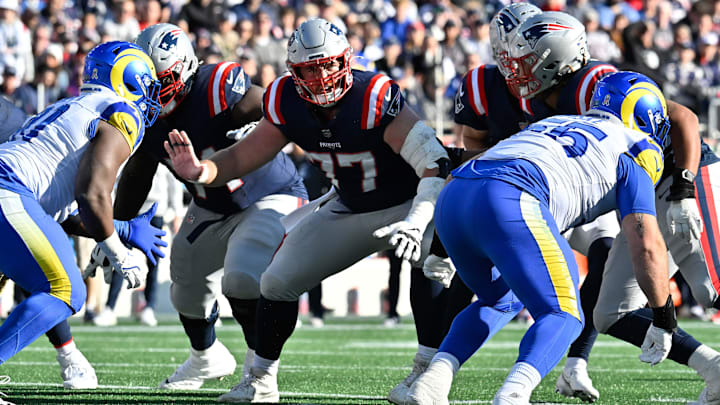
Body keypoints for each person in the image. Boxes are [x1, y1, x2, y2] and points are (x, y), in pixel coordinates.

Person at [166, 17, 452, 403]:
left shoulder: (373, 95)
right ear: (292, 71)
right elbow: (243, 156)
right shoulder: (285, 100)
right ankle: (261, 381)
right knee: (275, 281)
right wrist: (203, 171)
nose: (320, 77)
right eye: (308, 69)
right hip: (348, 207)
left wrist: (418, 220)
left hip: (406, 204)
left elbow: (434, 161)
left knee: (431, 261)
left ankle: (424, 374)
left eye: (328, 64)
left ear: (346, 60)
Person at [407, 71, 674, 405]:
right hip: (511, 198)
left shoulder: (556, 122)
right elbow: (646, 243)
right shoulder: (636, 147)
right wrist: (664, 317)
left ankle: (433, 380)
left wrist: (439, 251)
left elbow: (481, 163)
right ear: (644, 114)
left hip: (456, 193)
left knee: (501, 299)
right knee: (565, 315)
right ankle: (513, 395)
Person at [114, 23, 307, 390]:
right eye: (148, 82)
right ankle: (206, 358)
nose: (154, 91)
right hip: (210, 205)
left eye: (163, 79)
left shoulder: (216, 87)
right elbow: (139, 170)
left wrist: (261, 127)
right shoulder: (145, 111)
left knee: (243, 277)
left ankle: (259, 373)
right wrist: (115, 230)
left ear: (185, 66)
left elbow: (276, 108)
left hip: (269, 194)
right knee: (184, 285)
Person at [0, 40, 165, 391]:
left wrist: (118, 228)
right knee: (65, 292)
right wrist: (118, 253)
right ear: (130, 78)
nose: (150, 95)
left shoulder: (70, 104)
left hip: (11, 190)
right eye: (148, 84)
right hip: (8, 188)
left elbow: (58, 208)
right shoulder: (122, 112)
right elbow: (91, 193)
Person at [0, 97, 98, 389]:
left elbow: (41, 209)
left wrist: (113, 231)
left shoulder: (11, 121)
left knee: (55, 281)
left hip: (15, 200)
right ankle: (70, 356)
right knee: (61, 286)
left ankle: (69, 355)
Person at [94, 165, 185, 327]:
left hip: (156, 212)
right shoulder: (133, 146)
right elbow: (119, 177)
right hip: (130, 211)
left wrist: (176, 213)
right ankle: (110, 308)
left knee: (153, 263)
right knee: (120, 258)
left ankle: (149, 308)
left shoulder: (162, 149)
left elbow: (174, 183)